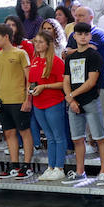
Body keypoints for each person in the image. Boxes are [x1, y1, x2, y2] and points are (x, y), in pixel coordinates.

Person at [64, 22, 104, 183]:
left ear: (90, 36)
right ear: (74, 36)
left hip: (90, 100)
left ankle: (103, 171)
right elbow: (66, 79)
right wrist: (71, 99)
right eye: (80, 34)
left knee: (99, 137)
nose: (83, 37)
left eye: (86, 34)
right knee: (77, 139)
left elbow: (91, 82)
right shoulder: (70, 57)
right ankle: (80, 171)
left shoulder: (93, 55)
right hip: (74, 103)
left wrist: (71, 95)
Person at [0, 25, 34, 179]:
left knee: (24, 131)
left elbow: (30, 79)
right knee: (8, 132)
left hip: (19, 99)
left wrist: (27, 99)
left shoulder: (21, 53)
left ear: (6, 37)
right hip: (3, 101)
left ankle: (27, 165)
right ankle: (14, 165)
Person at [26, 30, 68, 181]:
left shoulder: (56, 61)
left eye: (41, 42)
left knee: (58, 136)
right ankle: (51, 167)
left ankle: (59, 167)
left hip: (53, 102)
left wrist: (45, 87)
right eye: (35, 41)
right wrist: (31, 92)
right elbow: (31, 82)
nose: (37, 44)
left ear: (49, 44)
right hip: (38, 103)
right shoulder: (35, 61)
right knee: (49, 137)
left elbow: (63, 83)